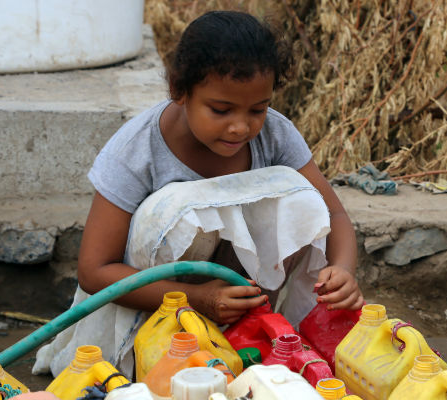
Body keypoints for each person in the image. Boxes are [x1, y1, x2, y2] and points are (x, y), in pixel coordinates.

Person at [33, 10, 363, 377]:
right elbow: (95, 273)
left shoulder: (275, 134)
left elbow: (332, 215)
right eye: (220, 110)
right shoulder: (136, 152)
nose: (241, 127)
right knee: (180, 204)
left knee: (299, 194)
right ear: (179, 90)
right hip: (149, 317)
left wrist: (342, 270)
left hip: (244, 313)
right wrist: (197, 300)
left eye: (258, 109)